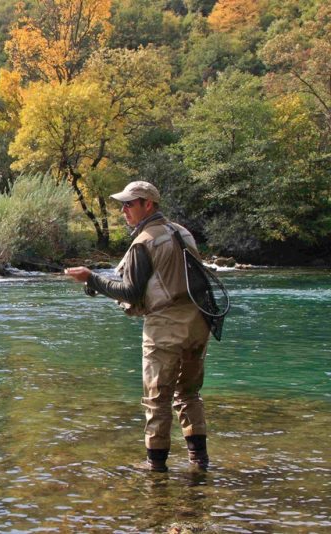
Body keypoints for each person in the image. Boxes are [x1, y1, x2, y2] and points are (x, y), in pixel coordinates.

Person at [64, 181, 211, 473]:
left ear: (148, 205)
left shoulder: (143, 241)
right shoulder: (181, 232)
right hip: (198, 323)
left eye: (130, 204)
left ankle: (154, 466)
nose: (123, 210)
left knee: (157, 398)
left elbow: (131, 293)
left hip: (165, 328)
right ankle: (200, 462)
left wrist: (91, 279)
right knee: (190, 394)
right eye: (123, 204)